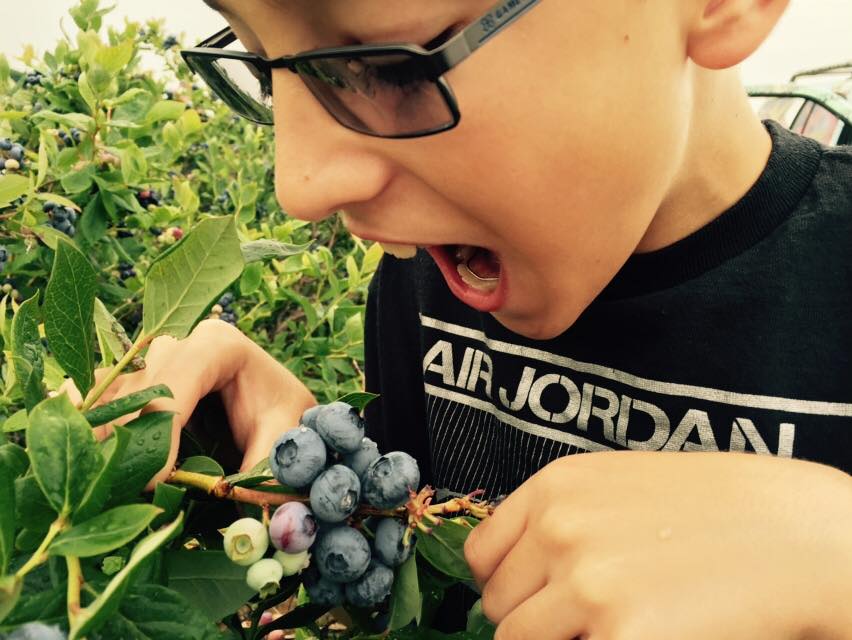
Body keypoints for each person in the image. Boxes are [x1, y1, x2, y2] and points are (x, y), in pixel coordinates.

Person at [69, 0, 852, 637]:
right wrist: (307, 476)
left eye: (389, 65)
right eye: (265, 68)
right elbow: (416, 573)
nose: (298, 186)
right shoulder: (422, 285)